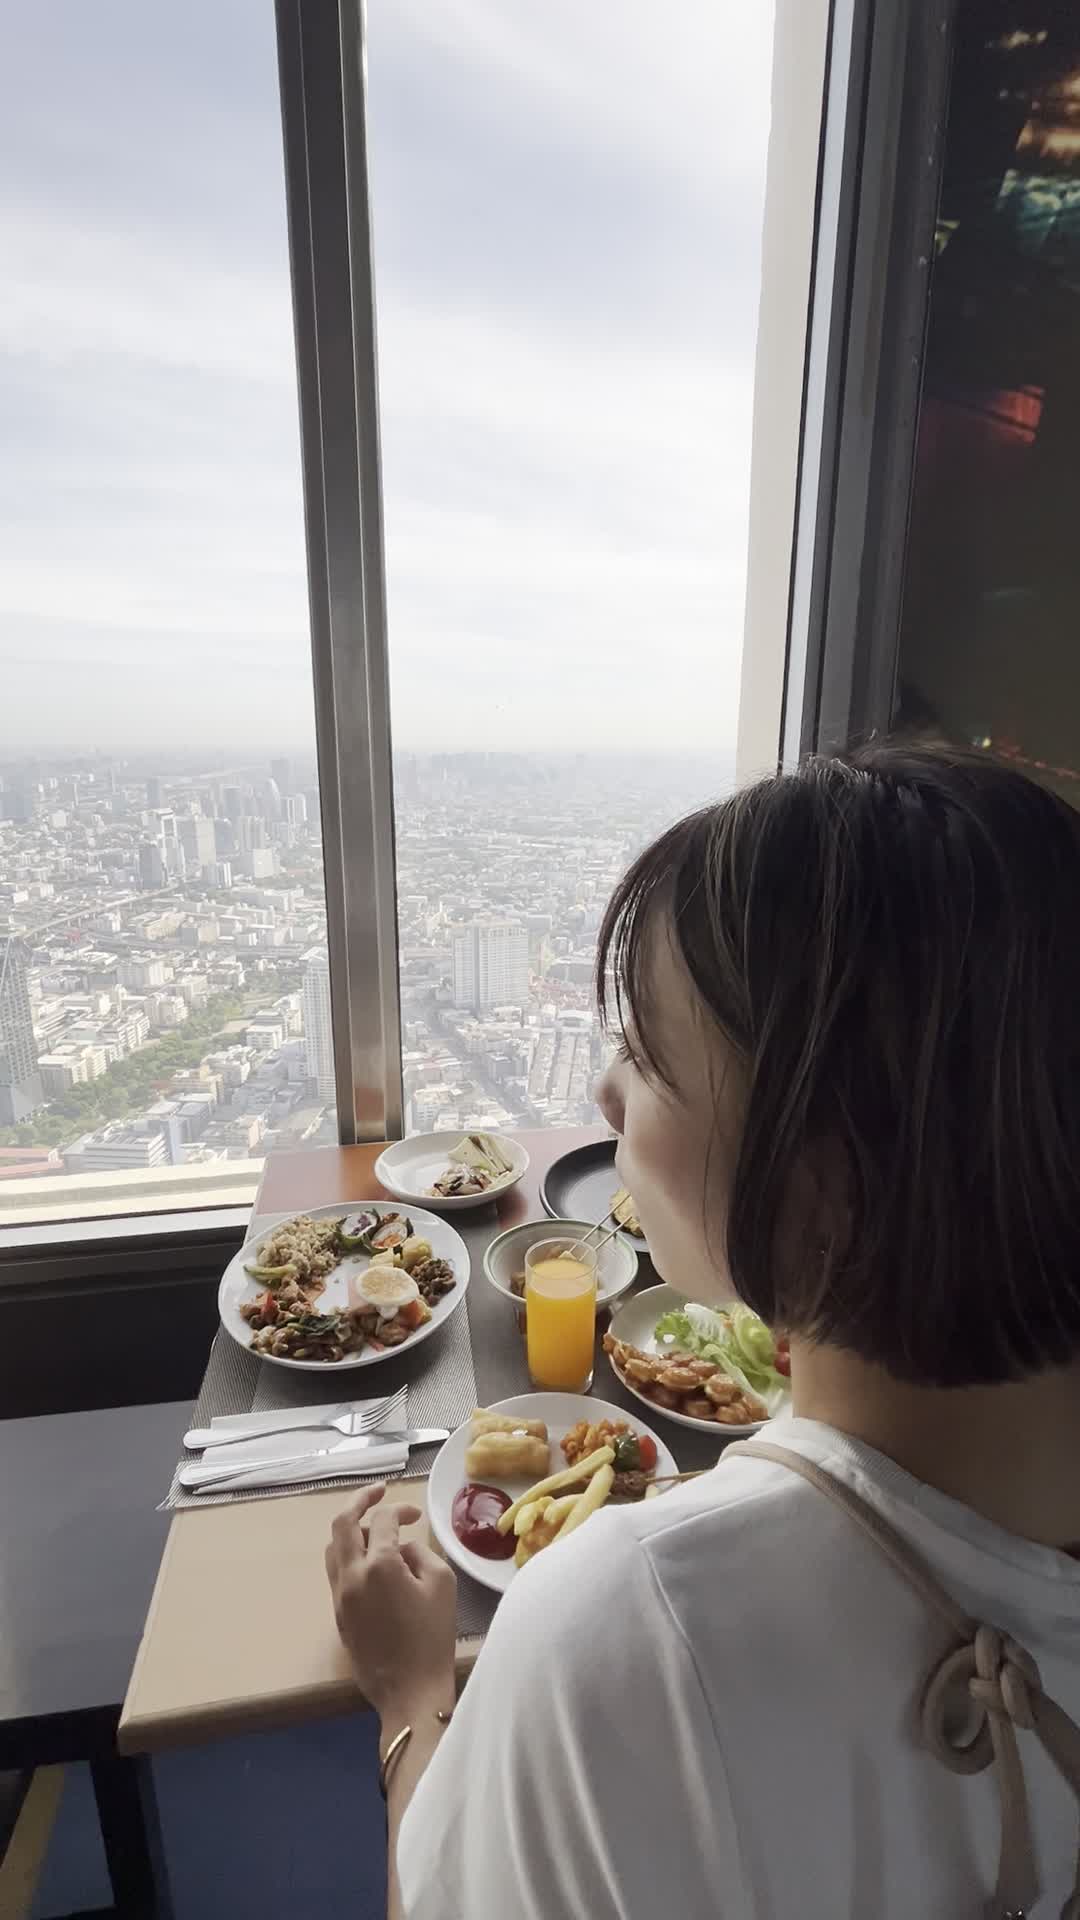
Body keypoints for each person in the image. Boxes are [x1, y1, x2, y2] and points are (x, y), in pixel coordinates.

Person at [325, 743, 1080, 1920]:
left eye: (646, 1053)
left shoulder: (629, 1633)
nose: (606, 1095)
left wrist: (412, 1696)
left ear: (819, 1193)